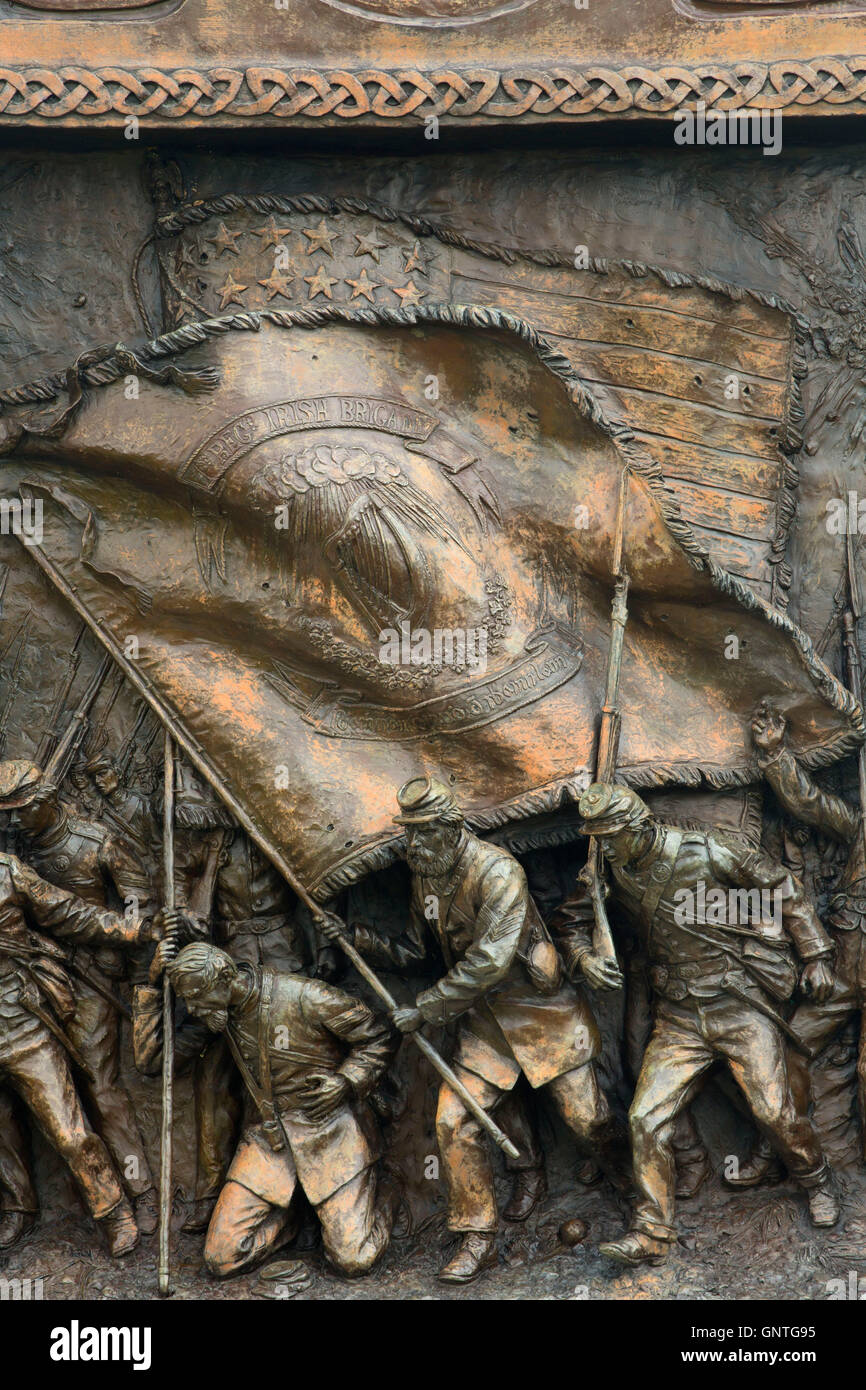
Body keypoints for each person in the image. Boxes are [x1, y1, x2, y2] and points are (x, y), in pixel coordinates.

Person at [323, 774, 630, 1285]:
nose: (413, 846)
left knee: (589, 1120)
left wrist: (425, 1009)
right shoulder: (426, 876)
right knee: (454, 1121)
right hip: (483, 1023)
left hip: (541, 1012)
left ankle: (631, 1184)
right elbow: (422, 953)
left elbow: (489, 961)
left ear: (452, 828)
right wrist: (358, 937)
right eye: (410, 834)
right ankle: (479, 1236)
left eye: (423, 834)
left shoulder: (497, 871)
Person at [554, 780, 839, 1268]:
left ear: (637, 829)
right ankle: (652, 1230)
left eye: (608, 837)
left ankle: (816, 1181)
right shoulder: (606, 866)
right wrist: (584, 957)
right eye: (596, 839)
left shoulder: (709, 849)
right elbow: (571, 921)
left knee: (775, 1112)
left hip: (737, 1003)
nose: (601, 848)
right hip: (679, 1016)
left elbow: (782, 891)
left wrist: (815, 955)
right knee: (645, 1119)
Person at [134, 936, 397, 1278]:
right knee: (221, 1258)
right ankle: (291, 1216)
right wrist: (151, 984)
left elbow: (379, 1034)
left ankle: (388, 1192)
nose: (194, 1009)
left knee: (353, 1260)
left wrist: (346, 1081)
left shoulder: (305, 996)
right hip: (269, 1141)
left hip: (331, 1132)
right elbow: (152, 1061)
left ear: (224, 978)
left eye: (195, 999)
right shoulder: (220, 1012)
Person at [0, 767, 158, 1255]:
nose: (18, 822)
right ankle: (17, 1209)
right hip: (42, 991)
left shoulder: (16, 866)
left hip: (46, 1001)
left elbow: (81, 909)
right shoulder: (20, 849)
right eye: (9, 815)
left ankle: (129, 1200)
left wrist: (126, 932)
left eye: (22, 810)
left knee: (85, 1103)